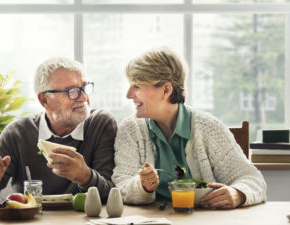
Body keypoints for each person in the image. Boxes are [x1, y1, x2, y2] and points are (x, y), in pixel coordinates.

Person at [112, 47, 266, 209]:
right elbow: (121, 186)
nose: (128, 95)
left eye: (137, 86)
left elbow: (252, 179)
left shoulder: (209, 128)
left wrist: (238, 193)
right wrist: (143, 186)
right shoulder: (130, 129)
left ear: (166, 89)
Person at [0, 57, 117, 202]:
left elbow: (112, 195)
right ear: (44, 100)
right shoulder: (18, 132)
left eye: (84, 87)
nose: (83, 97)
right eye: (71, 91)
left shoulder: (101, 124)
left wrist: (85, 176)